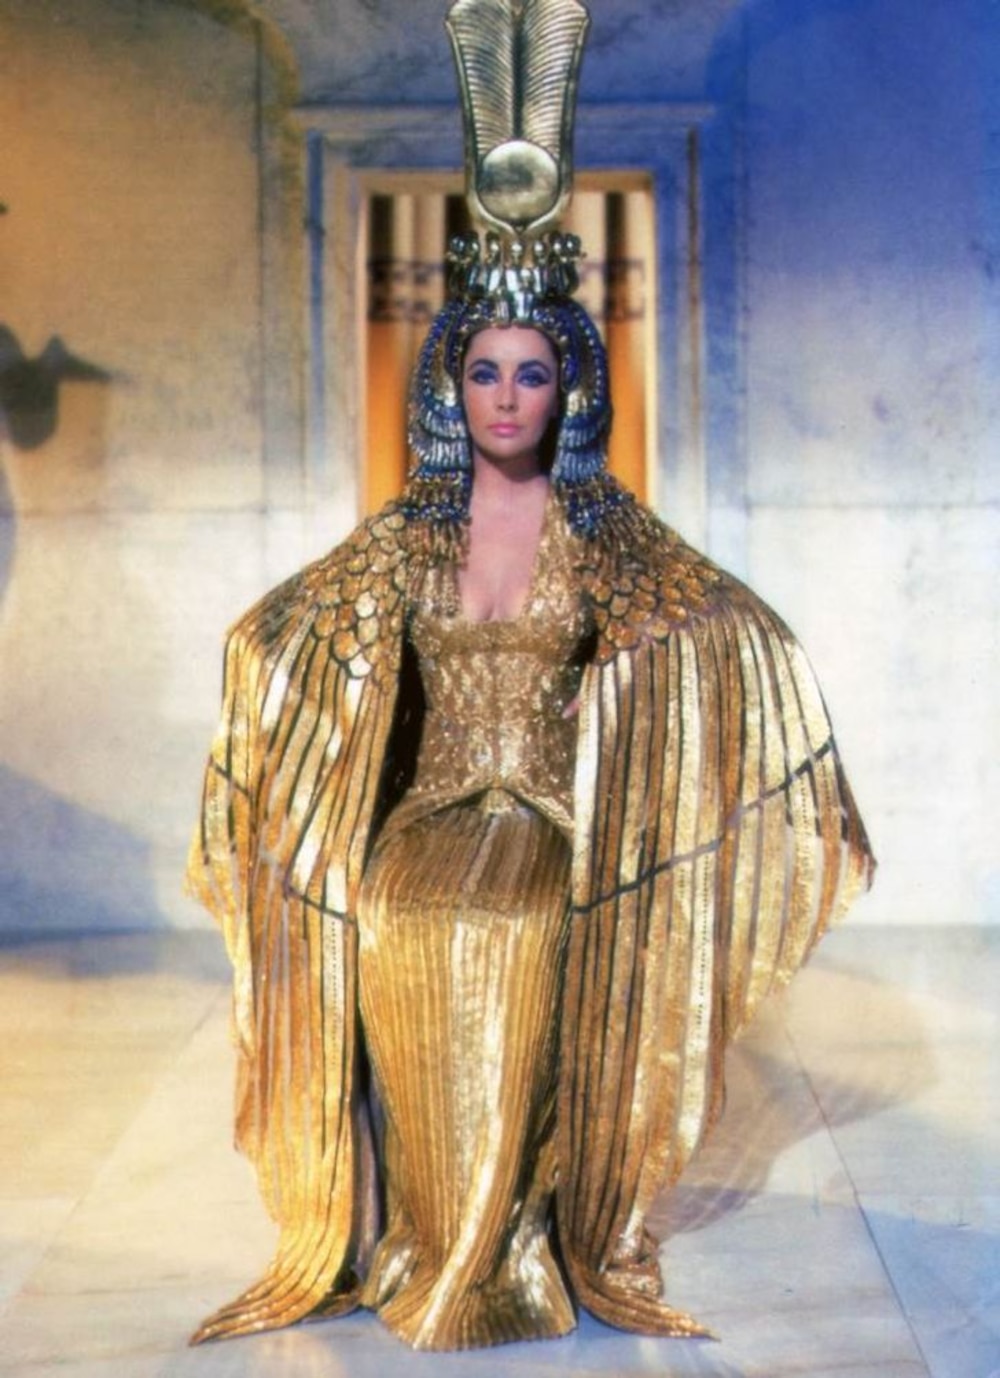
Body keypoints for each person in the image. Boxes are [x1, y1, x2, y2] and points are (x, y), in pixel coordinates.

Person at [186, 0, 873, 1354]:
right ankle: (420, 1233)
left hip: (556, 827)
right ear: (453, 384)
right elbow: (279, 627)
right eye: (487, 371)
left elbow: (733, 624)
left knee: (513, 929)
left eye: (534, 374)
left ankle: (510, 1243)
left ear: (571, 389)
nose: (508, 395)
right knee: (396, 915)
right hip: (428, 818)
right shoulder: (410, 534)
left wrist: (700, 706)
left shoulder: (606, 535)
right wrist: (276, 707)